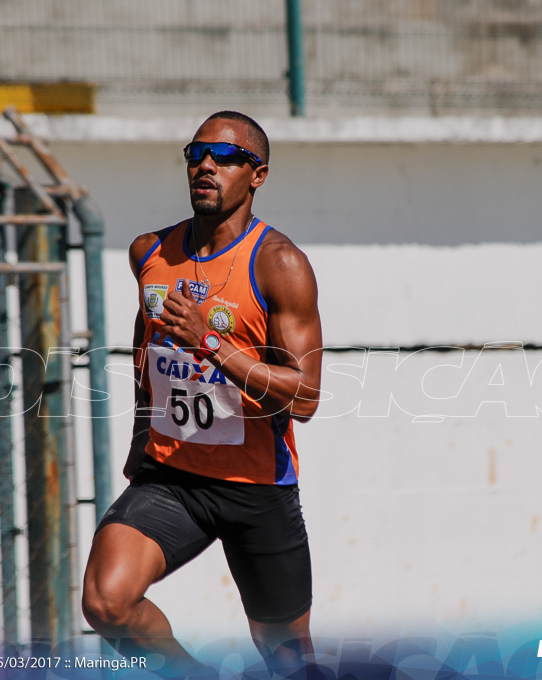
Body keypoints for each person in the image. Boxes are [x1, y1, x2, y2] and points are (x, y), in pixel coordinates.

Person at [81, 111, 323, 678]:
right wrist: (144, 437)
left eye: (226, 157)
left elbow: (306, 397)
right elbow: (148, 353)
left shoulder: (280, 265)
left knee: (289, 661)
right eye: (196, 155)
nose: (207, 166)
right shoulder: (150, 253)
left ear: (257, 175)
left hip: (256, 487)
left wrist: (212, 342)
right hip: (174, 477)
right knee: (105, 603)